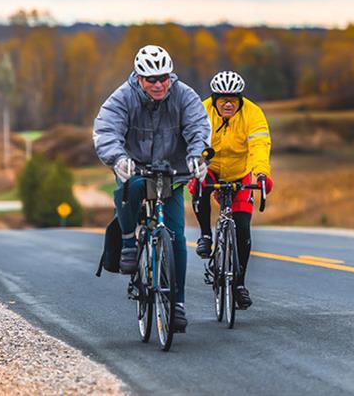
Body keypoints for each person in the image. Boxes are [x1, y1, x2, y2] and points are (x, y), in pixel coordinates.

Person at [93, 45, 210, 332]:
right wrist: (118, 158)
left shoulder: (184, 95)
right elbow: (106, 130)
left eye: (164, 78)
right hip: (134, 166)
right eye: (151, 79)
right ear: (139, 78)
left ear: (170, 76)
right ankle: (130, 242)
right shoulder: (123, 97)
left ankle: (177, 304)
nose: (158, 84)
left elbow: (198, 126)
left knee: (177, 236)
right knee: (129, 188)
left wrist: (197, 155)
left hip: (171, 170)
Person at [189, 70, 273, 310]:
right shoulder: (201, 110)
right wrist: (196, 165)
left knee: (243, 228)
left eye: (233, 100)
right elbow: (194, 141)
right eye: (222, 100)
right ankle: (205, 235)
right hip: (211, 166)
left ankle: (239, 285)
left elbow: (259, 145)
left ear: (240, 100)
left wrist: (261, 174)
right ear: (214, 100)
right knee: (199, 184)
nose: (228, 104)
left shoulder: (253, 114)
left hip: (240, 172)